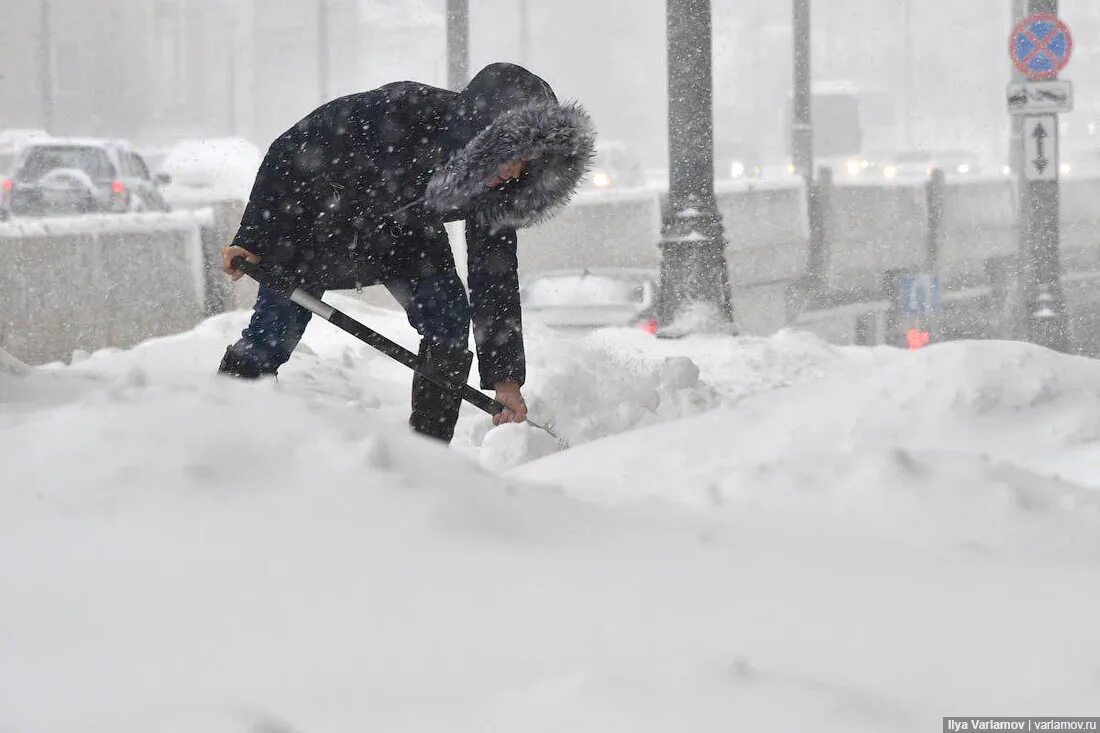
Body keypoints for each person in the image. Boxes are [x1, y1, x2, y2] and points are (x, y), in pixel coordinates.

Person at [217, 63, 595, 443]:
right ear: (482, 134)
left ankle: (427, 455)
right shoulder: (402, 109)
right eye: (512, 155)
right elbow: (290, 150)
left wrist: (505, 379)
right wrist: (253, 237)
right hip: (313, 225)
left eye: (527, 163)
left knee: (447, 319)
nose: (516, 173)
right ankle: (220, 426)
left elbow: (493, 274)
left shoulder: (494, 189)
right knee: (273, 332)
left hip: (402, 238)